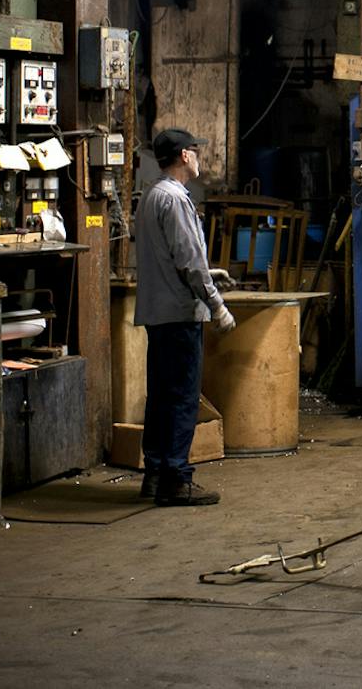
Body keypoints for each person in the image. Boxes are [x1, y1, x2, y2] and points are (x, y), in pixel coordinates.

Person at [134, 127, 235, 506]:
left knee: (161, 396)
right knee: (182, 398)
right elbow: (189, 261)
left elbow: (174, 257)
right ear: (184, 156)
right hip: (179, 314)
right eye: (196, 150)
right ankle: (176, 479)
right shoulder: (175, 199)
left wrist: (210, 273)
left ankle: (155, 475)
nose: (199, 157)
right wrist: (217, 304)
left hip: (158, 313)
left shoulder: (151, 196)